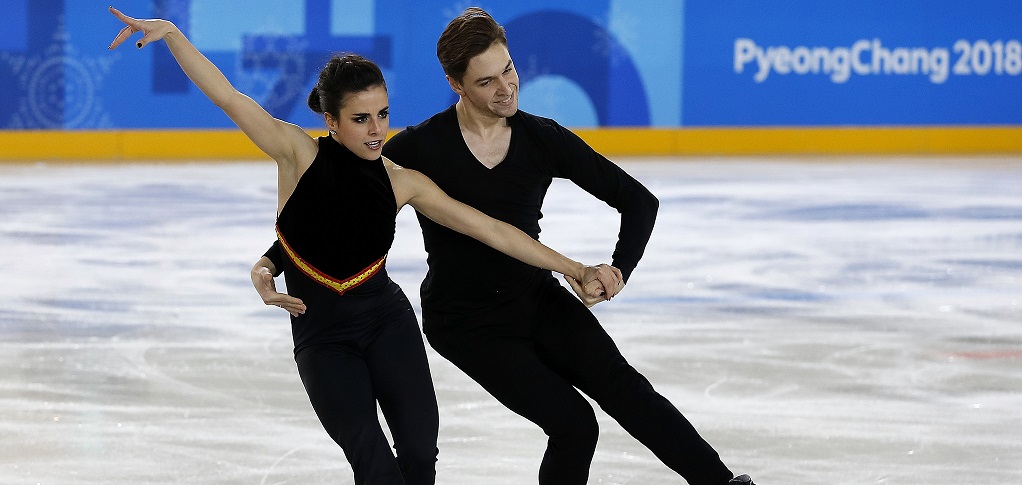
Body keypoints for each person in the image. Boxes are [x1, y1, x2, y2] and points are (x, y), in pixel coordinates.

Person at [106, 7, 619, 485]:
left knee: (419, 459)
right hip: (322, 335)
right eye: (360, 119)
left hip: (386, 323)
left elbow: (493, 230)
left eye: (383, 114)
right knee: (374, 465)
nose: (377, 131)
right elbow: (228, 97)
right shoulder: (297, 156)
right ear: (331, 120)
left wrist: (572, 267)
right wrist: (172, 34)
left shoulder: (401, 182)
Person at [256, 7, 756, 485]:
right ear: (456, 85)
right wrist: (275, 259)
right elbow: (328, 215)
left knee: (623, 386)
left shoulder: (542, 139)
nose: (507, 86)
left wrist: (617, 269)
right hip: (465, 322)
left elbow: (638, 202)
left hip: (534, 297)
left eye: (509, 70)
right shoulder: (416, 150)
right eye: (487, 81)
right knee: (574, 424)